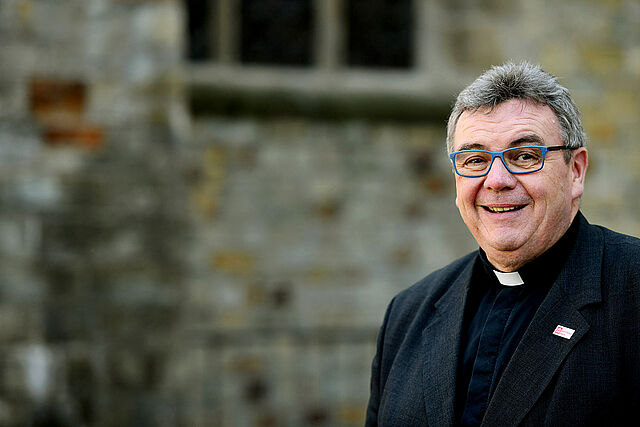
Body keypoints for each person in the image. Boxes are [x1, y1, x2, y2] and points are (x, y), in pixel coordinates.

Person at [365, 62, 640, 426]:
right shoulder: (408, 313)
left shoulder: (633, 289)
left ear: (575, 171)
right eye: (475, 159)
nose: (497, 180)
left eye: (524, 156)